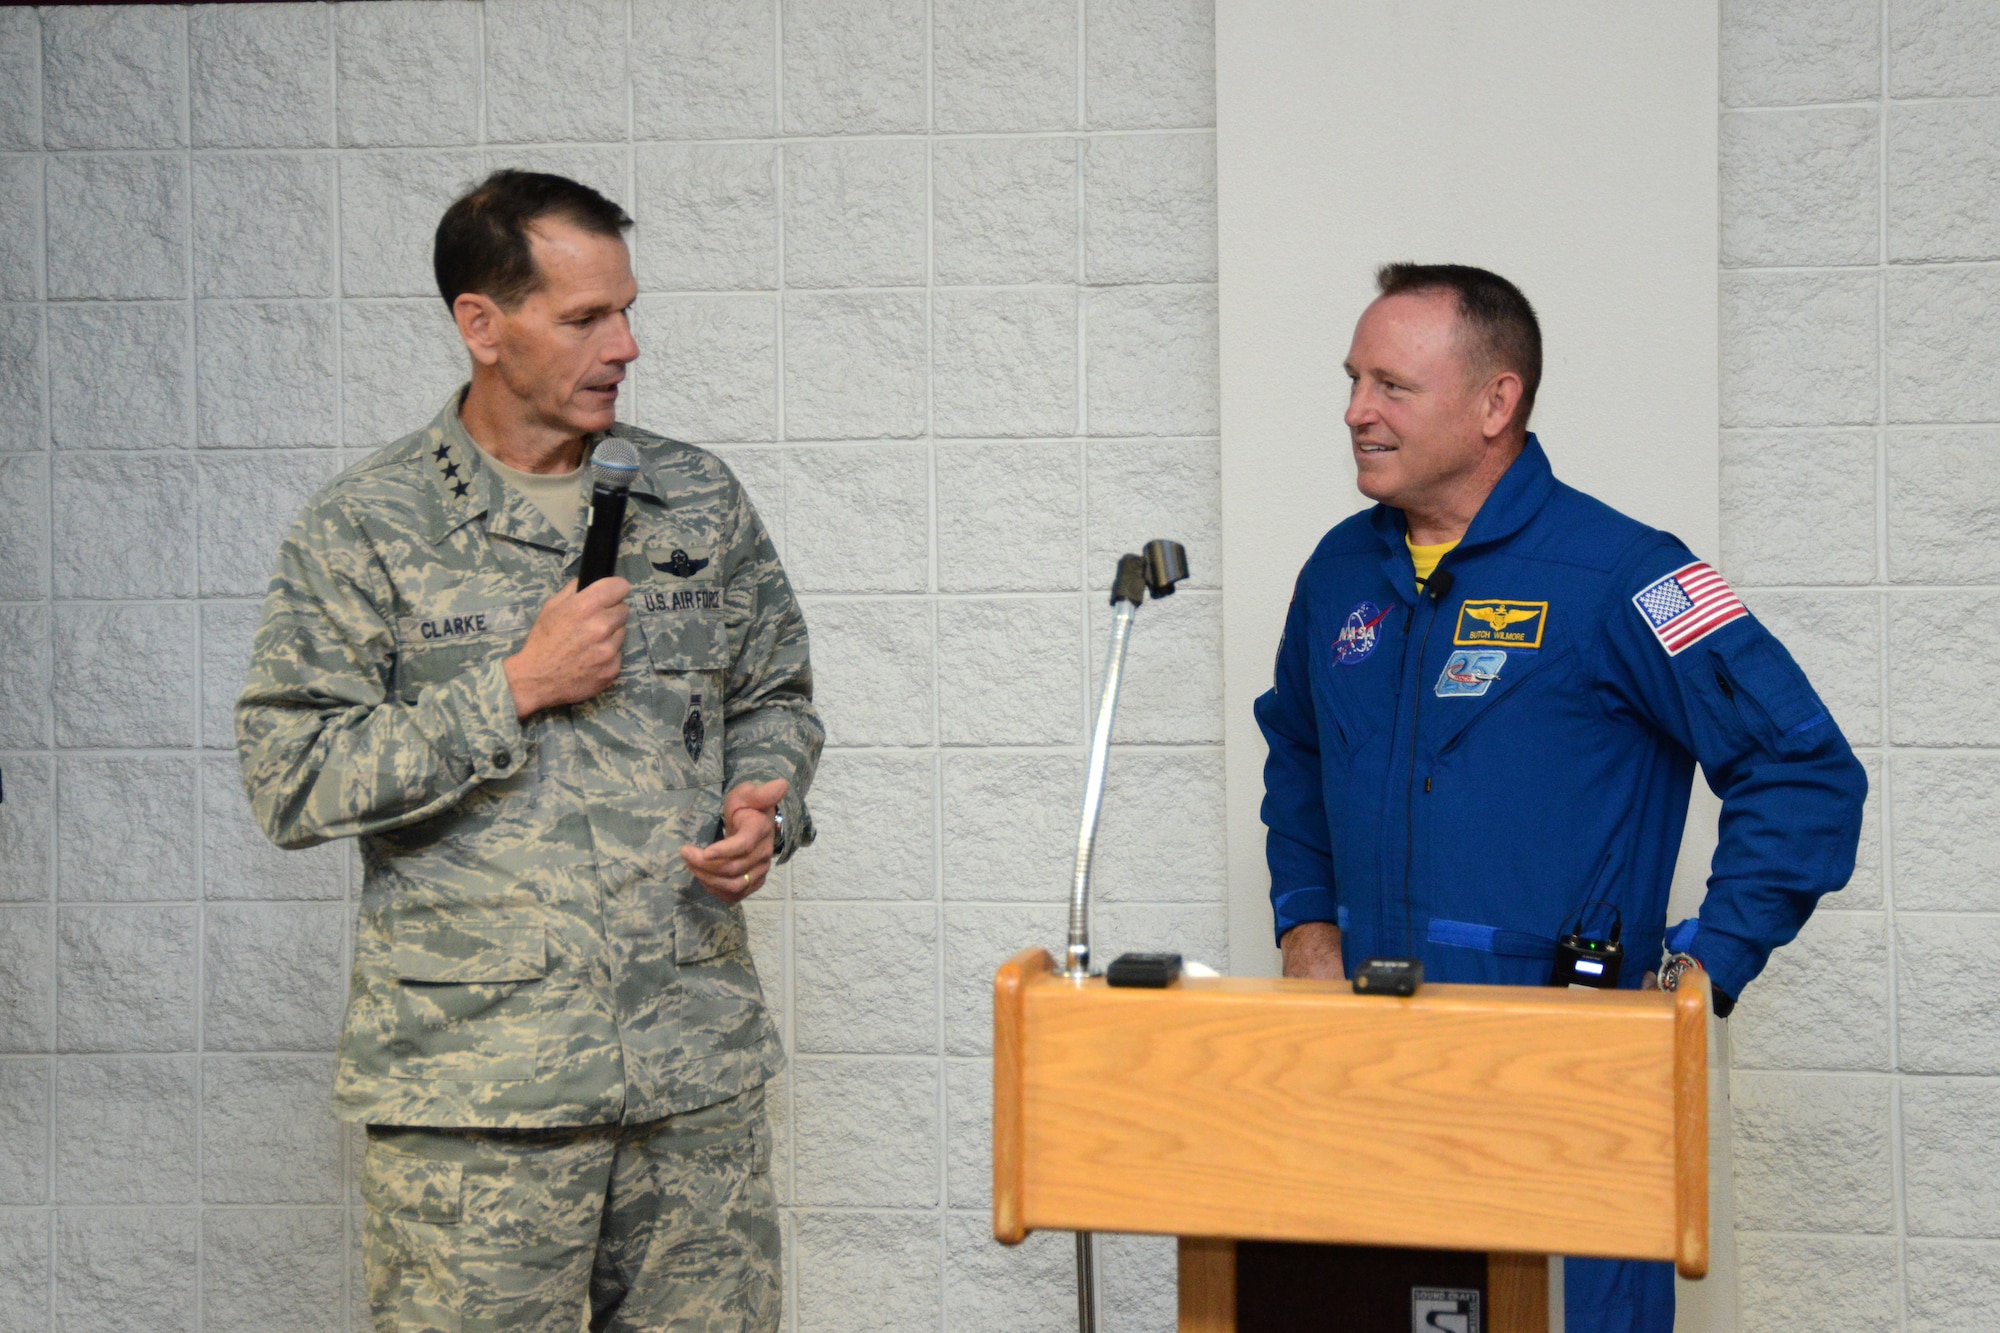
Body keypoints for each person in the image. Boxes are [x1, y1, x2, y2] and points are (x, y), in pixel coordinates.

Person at [235, 171, 820, 1333]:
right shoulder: (366, 526)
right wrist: (511, 689)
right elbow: (289, 775)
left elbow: (775, 694)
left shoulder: (693, 498)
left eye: (626, 309)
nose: (626, 344)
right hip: (477, 1105)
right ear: (481, 325)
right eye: (584, 317)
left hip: (688, 1079)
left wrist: (770, 800)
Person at [1255, 264, 1866, 1333]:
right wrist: (1306, 926)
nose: (1355, 411)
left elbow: (1801, 769)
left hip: (1566, 1080)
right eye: (1352, 381)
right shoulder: (1337, 576)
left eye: (1391, 385)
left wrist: (1701, 965)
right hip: (1367, 1070)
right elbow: (1296, 751)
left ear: (1494, 402)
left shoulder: (1624, 573)